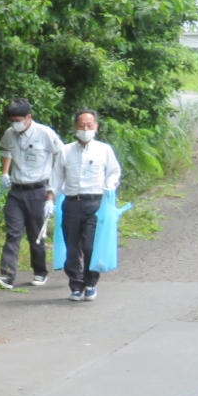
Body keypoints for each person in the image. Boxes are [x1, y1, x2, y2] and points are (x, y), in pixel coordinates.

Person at [0, 98, 65, 289]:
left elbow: (62, 156)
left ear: (28, 117)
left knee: (36, 235)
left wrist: (55, 189)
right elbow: (5, 151)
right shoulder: (9, 133)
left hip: (38, 190)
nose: (15, 124)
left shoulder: (45, 133)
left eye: (18, 120)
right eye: (12, 120)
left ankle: (40, 272)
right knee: (13, 233)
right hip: (16, 191)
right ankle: (7, 276)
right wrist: (5, 173)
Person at [52, 109, 122, 302]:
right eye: (81, 125)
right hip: (72, 203)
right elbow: (56, 178)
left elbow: (114, 172)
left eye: (89, 125)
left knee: (90, 246)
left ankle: (90, 283)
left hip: (95, 204)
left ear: (96, 127)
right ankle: (76, 285)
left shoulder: (104, 150)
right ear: (76, 127)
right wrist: (50, 200)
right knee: (72, 247)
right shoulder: (66, 151)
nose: (85, 129)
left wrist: (110, 186)